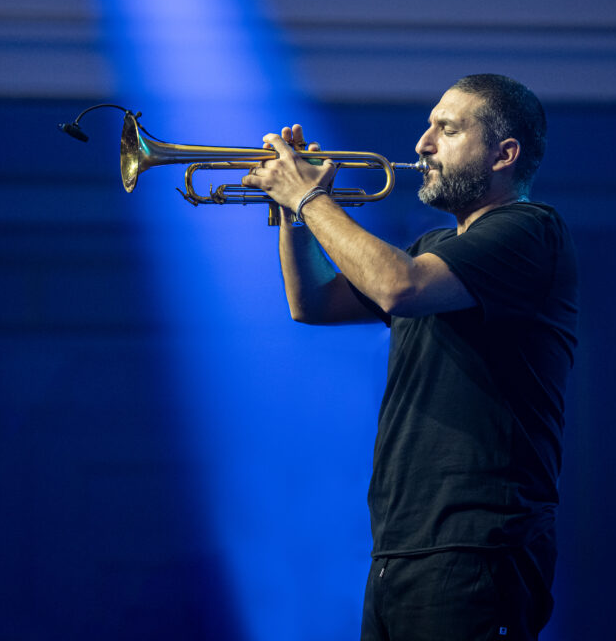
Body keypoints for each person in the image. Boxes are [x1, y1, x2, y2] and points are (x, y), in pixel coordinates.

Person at [242, 74, 578, 641]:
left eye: (446, 130)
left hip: (477, 543)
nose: (422, 144)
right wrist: (291, 213)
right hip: (404, 545)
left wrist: (309, 195)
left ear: (505, 154)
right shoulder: (433, 249)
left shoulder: (530, 230)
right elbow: (313, 303)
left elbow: (398, 286)